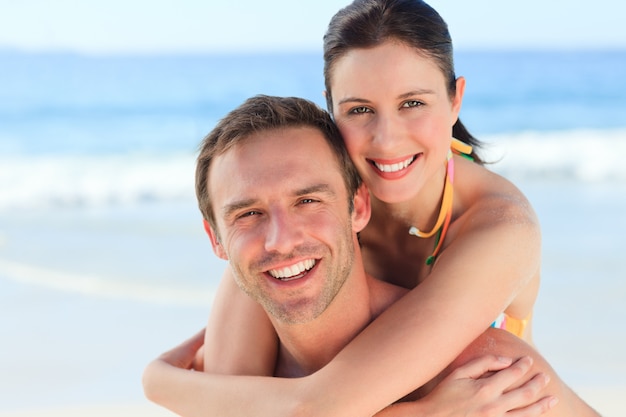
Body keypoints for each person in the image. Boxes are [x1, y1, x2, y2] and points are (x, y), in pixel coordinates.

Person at [144, 0, 600, 415]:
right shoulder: (309, 216)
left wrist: (162, 382)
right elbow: (250, 396)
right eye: (360, 110)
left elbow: (316, 406)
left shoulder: (500, 228)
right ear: (331, 109)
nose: (387, 139)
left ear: (455, 98)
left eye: (413, 103)